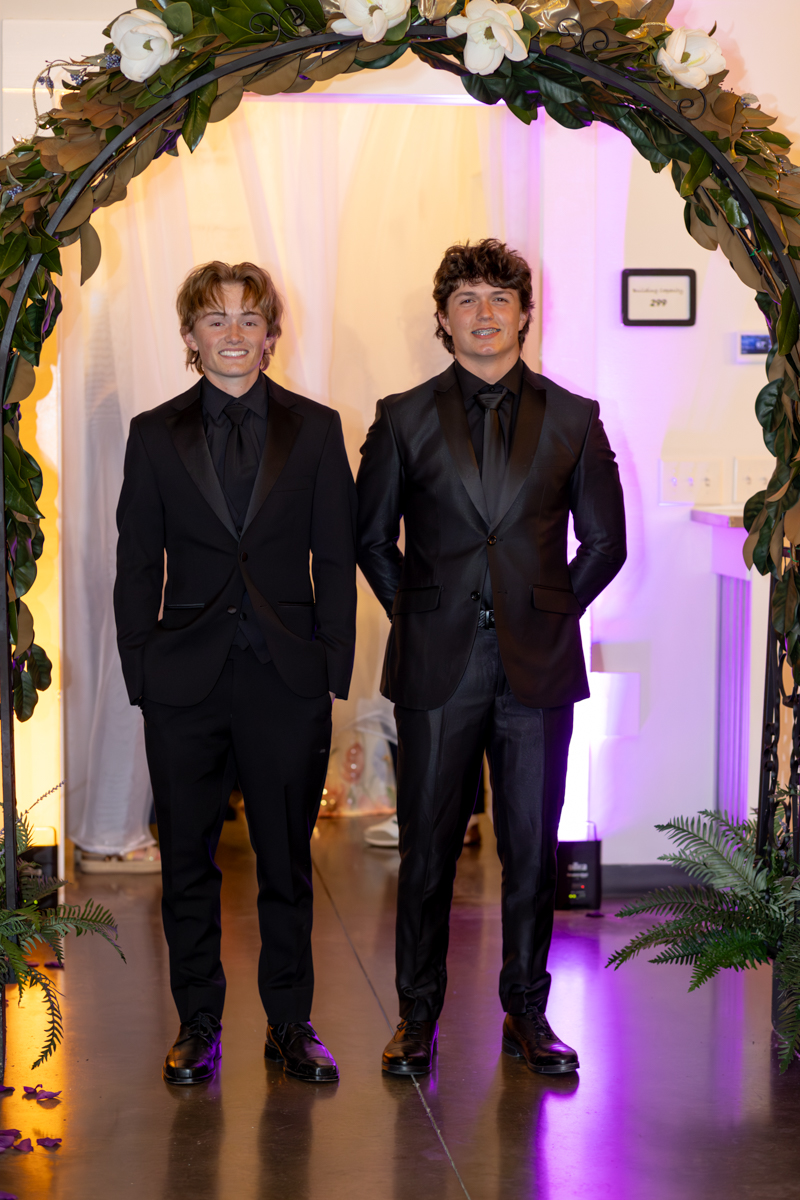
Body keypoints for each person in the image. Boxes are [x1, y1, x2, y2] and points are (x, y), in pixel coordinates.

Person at [356, 239, 626, 1077]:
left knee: (528, 852)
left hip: (538, 670)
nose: (484, 312)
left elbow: (607, 541)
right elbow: (371, 539)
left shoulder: (575, 417)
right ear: (444, 318)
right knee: (429, 854)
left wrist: (548, 614)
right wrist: (418, 613)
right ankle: (417, 1018)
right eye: (467, 298)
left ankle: (526, 1014)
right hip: (436, 666)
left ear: (523, 314)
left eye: (499, 298)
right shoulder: (401, 415)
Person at [114, 261, 357, 1085]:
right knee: (187, 862)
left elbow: (337, 554)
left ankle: (291, 1025)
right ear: (189, 336)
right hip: (182, 681)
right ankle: (198, 1024)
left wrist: (333, 669)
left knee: (288, 864)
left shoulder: (318, 429)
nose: (233, 334)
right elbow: (137, 563)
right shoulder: (153, 434)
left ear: (271, 332)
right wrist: (140, 670)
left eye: (249, 319)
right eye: (214, 320)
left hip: (287, 678)